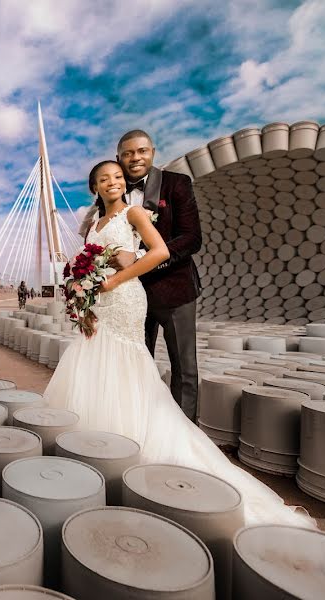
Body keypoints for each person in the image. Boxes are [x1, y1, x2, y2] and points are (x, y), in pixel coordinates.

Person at [45, 159, 312, 527]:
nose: (113, 183)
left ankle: (127, 445)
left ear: (124, 183)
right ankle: (93, 446)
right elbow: (88, 262)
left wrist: (120, 276)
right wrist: (80, 287)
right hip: (98, 300)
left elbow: (159, 252)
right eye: (104, 179)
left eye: (118, 177)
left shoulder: (134, 213)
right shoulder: (93, 222)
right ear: (94, 186)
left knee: (124, 360)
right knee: (92, 356)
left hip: (123, 297)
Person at [95, 129, 202, 422]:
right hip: (129, 299)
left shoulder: (177, 184)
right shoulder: (110, 192)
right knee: (134, 366)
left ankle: (185, 434)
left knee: (185, 368)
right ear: (119, 158)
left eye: (141, 151)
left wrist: (140, 258)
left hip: (174, 292)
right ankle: (140, 425)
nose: (135, 158)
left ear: (153, 152)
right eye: (128, 153)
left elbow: (192, 238)